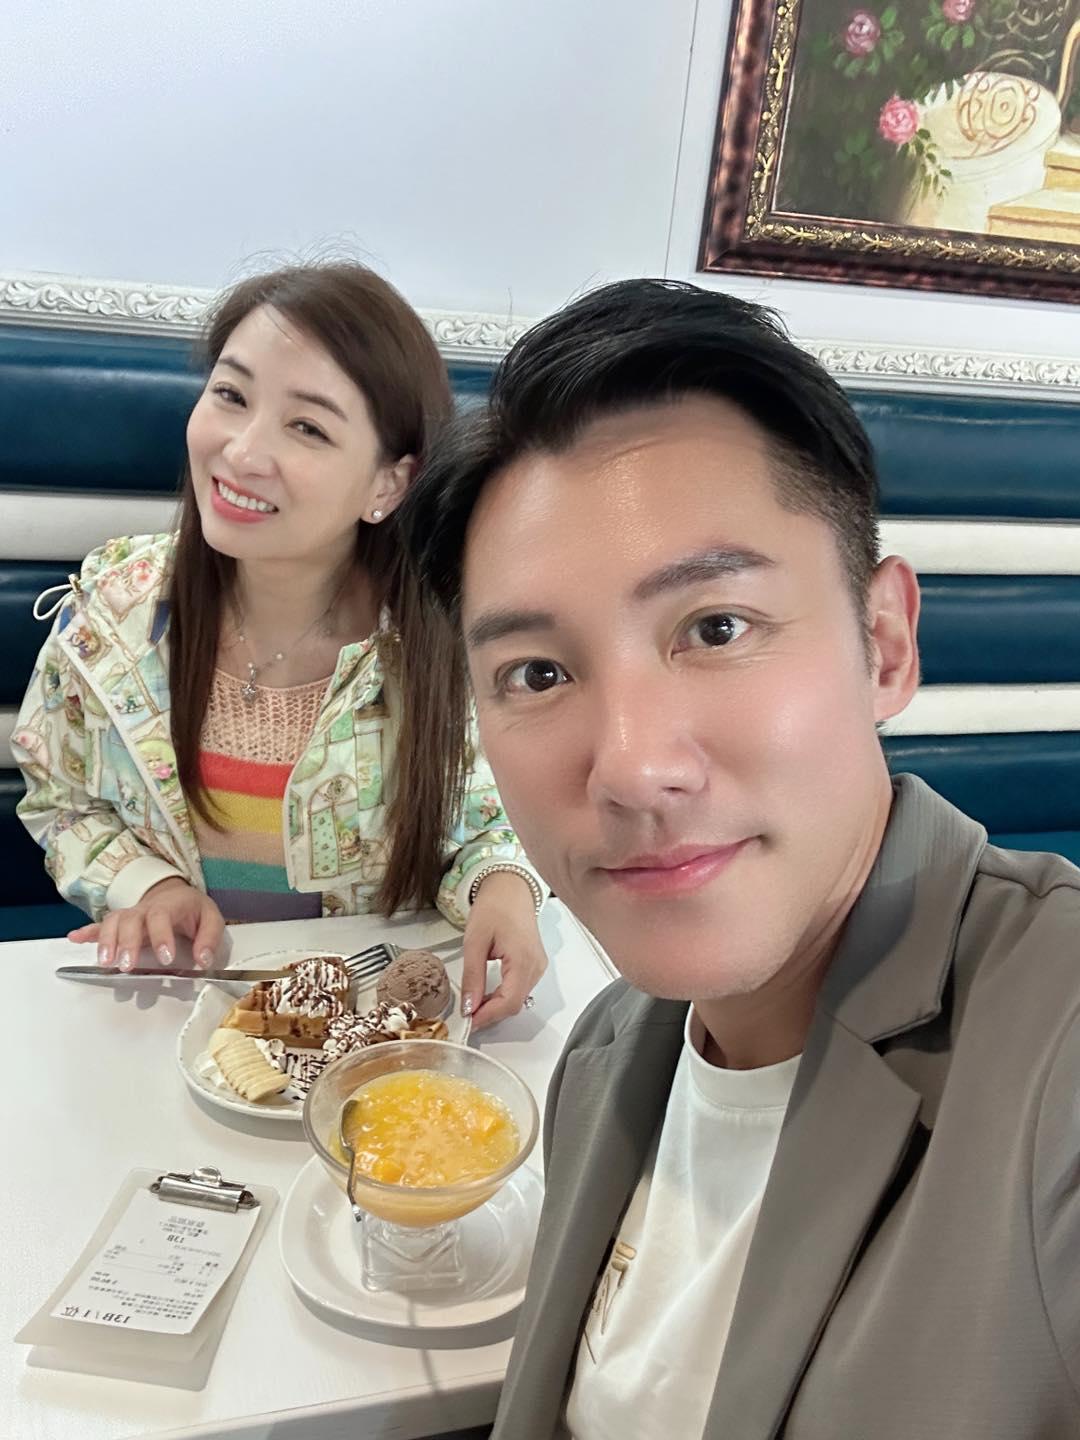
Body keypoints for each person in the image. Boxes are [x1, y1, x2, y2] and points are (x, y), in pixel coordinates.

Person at [402, 279, 1080, 1436]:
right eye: (537, 674)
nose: (631, 767)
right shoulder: (603, 1054)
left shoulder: (1051, 1044)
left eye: (716, 628)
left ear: (884, 643)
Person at [12, 263, 547, 1029]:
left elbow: (495, 822)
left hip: (368, 1022)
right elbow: (61, 800)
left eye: (308, 427)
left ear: (388, 485)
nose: (241, 452)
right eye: (231, 395)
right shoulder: (112, 614)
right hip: (174, 1007)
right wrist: (145, 887)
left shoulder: (441, 643)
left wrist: (503, 889)